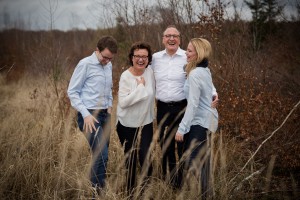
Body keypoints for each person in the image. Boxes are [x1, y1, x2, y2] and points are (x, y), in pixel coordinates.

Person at [151, 25, 218, 189]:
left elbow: (204, 77)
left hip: (183, 108)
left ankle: (182, 183)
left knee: (183, 148)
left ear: (179, 39)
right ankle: (172, 182)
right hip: (162, 108)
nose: (171, 39)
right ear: (163, 38)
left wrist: (214, 94)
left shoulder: (187, 57)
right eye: (168, 36)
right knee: (165, 147)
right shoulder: (155, 58)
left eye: (175, 36)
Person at [67, 36, 118, 192]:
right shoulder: (85, 64)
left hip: (105, 115)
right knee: (101, 155)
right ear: (97, 50)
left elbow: (108, 89)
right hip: (89, 116)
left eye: (110, 59)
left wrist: (109, 106)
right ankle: (98, 192)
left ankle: (95, 187)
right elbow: (72, 92)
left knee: (103, 156)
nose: (107, 61)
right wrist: (85, 114)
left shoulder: (108, 65)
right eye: (105, 57)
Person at [175, 38, 218, 199]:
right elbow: (208, 91)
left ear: (198, 54)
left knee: (192, 160)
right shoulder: (203, 70)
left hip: (201, 122)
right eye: (187, 50)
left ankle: (206, 195)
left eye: (190, 51)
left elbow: (192, 104)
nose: (186, 52)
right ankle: (207, 195)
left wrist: (182, 129)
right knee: (202, 161)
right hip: (207, 121)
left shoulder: (195, 74)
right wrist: (214, 94)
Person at [116, 42, 155, 198]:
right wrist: (140, 87)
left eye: (144, 57)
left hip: (146, 122)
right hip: (127, 125)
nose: (141, 59)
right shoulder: (126, 76)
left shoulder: (150, 72)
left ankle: (146, 192)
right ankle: (131, 194)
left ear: (148, 59)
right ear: (131, 58)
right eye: (137, 56)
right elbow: (123, 102)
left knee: (146, 157)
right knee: (130, 160)